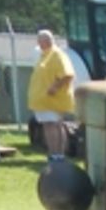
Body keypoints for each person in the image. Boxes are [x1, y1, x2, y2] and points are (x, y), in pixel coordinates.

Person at [28, 29, 74, 157]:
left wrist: (54, 87)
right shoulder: (44, 55)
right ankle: (55, 153)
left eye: (40, 40)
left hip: (53, 99)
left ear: (47, 40)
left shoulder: (57, 54)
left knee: (53, 125)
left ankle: (57, 153)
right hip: (43, 100)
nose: (38, 43)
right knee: (50, 125)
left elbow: (67, 75)